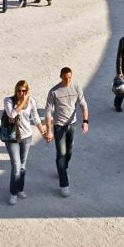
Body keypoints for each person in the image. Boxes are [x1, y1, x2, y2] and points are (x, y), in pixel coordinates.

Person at [44, 67, 89, 197]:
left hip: (72, 125)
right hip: (58, 126)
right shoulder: (54, 91)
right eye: (65, 77)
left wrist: (85, 121)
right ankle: (64, 183)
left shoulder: (76, 88)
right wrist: (48, 131)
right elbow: (48, 112)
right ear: (60, 77)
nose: (67, 80)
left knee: (69, 151)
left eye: (69, 77)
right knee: (61, 153)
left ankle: (62, 169)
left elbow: (83, 105)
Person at [3, 80, 46, 205]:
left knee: (22, 166)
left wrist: (43, 132)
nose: (21, 93)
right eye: (19, 90)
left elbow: (36, 117)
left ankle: (20, 188)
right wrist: (23, 100)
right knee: (16, 166)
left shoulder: (31, 101)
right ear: (15, 90)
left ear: (27, 91)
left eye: (24, 91)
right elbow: (12, 114)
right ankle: (13, 193)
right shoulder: (8, 101)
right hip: (12, 138)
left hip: (26, 137)